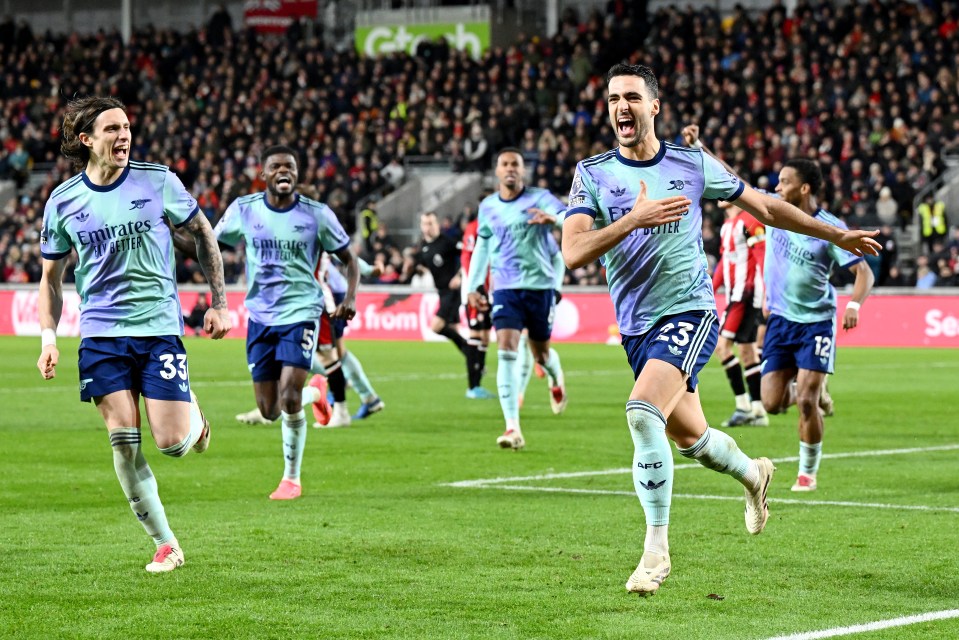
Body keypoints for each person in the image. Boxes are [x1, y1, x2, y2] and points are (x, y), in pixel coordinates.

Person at [561, 64, 880, 595]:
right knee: (692, 440)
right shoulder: (592, 174)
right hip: (637, 328)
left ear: (654, 106)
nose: (622, 106)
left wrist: (836, 234)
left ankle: (655, 552)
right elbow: (572, 252)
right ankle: (755, 476)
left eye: (633, 97)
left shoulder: (690, 163)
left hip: (690, 311)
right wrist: (630, 222)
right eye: (614, 98)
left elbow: (767, 206)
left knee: (642, 413)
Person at [37, 96, 232, 573]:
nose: (123, 135)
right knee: (123, 441)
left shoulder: (158, 180)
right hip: (101, 335)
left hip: (158, 328)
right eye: (111, 129)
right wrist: (48, 337)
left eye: (126, 127)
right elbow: (50, 278)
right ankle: (166, 543)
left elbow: (204, 233)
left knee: (171, 443)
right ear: (86, 140)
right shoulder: (63, 202)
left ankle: (196, 420)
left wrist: (220, 303)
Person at [213, 144, 357, 500]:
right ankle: (316, 392)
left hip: (302, 312)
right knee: (269, 409)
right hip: (260, 316)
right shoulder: (244, 211)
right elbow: (211, 245)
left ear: (297, 174)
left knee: (289, 397)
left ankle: (291, 479)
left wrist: (349, 298)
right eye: (276, 166)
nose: (283, 171)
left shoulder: (317, 215)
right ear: (263, 174)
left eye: (289, 167)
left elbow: (349, 259)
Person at [759, 158, 876, 492]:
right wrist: (698, 147)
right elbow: (733, 180)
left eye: (783, 182)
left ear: (804, 188)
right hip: (780, 321)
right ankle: (814, 388)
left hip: (816, 323)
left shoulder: (828, 227)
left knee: (807, 402)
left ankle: (806, 474)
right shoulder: (772, 211)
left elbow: (863, 272)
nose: (776, 188)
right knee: (771, 403)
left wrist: (853, 303)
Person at [466, 148, 568, 450]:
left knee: (540, 354)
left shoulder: (539, 197)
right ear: (497, 171)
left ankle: (555, 377)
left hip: (539, 287)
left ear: (522, 171)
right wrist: (473, 286)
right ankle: (512, 427)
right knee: (507, 349)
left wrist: (556, 218)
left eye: (516, 164)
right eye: (505, 164)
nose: (510, 169)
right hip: (506, 289)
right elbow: (482, 247)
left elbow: (568, 215)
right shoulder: (488, 208)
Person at [404, 211, 480, 397]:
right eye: (424, 224)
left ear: (436, 224)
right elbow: (422, 263)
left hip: (452, 292)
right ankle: (474, 361)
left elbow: (468, 255)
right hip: (442, 293)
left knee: (436, 326)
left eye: (430, 223)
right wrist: (411, 268)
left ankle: (474, 359)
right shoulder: (424, 246)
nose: (427, 227)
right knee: (454, 332)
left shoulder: (448, 241)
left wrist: (460, 276)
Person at [711, 200, 768, 427]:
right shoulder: (728, 225)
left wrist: (768, 293)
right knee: (747, 352)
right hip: (736, 295)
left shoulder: (750, 220)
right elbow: (725, 261)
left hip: (745, 295)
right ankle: (758, 410)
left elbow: (762, 254)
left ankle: (743, 406)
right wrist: (711, 289)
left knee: (721, 347)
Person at [459, 203, 494, 400]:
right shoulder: (474, 227)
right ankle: (472, 386)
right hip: (476, 290)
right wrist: (475, 285)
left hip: (490, 289)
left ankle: (478, 382)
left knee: (485, 337)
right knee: (475, 335)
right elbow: (467, 258)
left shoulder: (493, 225)